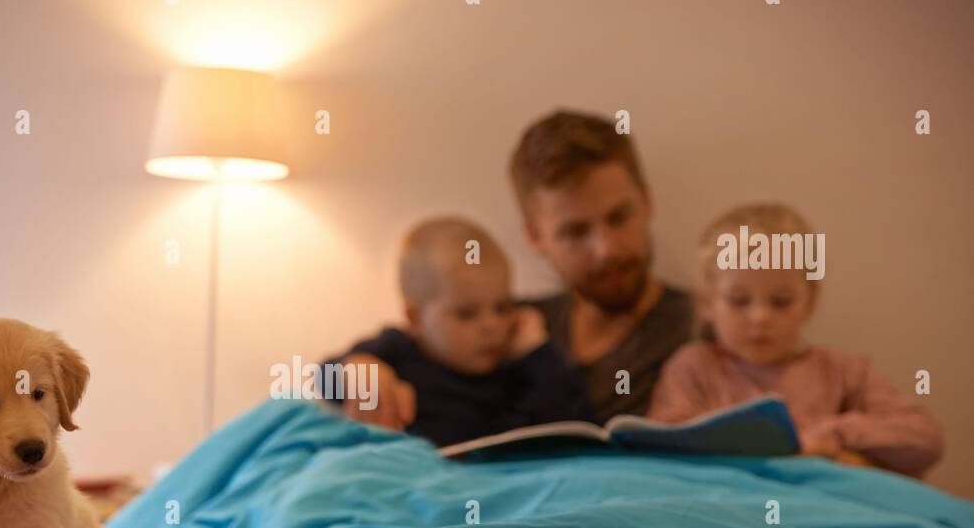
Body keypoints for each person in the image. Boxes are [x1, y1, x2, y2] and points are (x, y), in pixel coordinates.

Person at [649, 202, 944, 477]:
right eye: (739, 301)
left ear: (811, 300)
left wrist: (834, 434)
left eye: (781, 301)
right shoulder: (693, 367)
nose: (760, 317)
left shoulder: (844, 372)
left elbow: (924, 438)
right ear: (707, 303)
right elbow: (661, 446)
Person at [326, 215, 591, 447]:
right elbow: (323, 378)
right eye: (467, 313)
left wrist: (538, 353)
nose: (492, 326)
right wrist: (358, 369)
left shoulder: (513, 369)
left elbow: (576, 422)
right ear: (415, 318)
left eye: (502, 307)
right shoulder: (397, 349)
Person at [510, 110, 693, 421]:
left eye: (619, 218)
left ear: (646, 202)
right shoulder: (502, 329)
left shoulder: (712, 327)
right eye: (575, 232)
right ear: (535, 237)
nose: (607, 250)